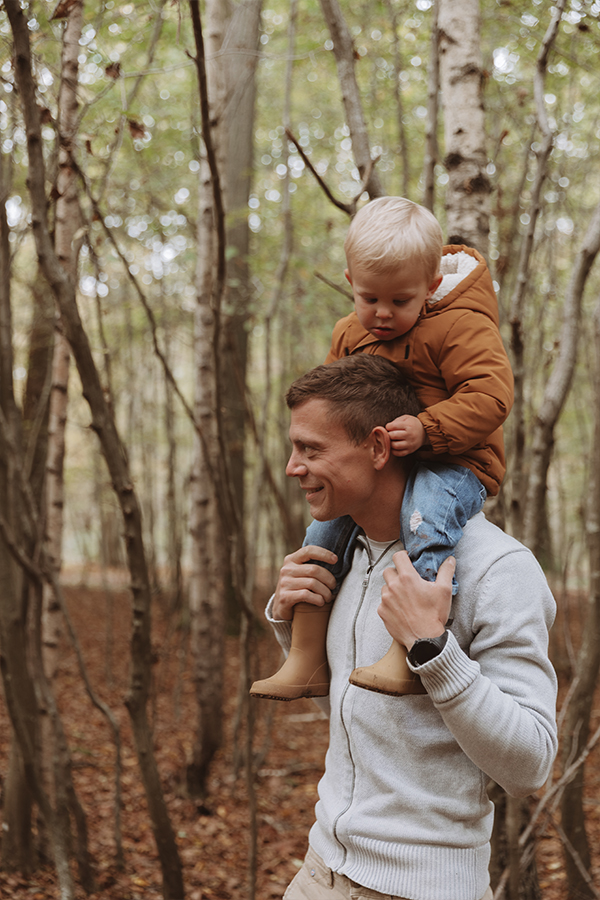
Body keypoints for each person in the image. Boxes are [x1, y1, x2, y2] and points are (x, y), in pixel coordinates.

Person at [261, 355, 557, 900]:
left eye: (311, 449)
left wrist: (433, 650)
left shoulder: (499, 569)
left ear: (377, 447)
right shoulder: (344, 554)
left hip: (423, 888)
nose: (292, 467)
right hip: (320, 873)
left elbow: (530, 765)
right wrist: (293, 621)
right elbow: (365, 715)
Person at [251, 197, 514, 700]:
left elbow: (491, 395)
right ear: (350, 281)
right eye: (370, 298)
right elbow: (328, 398)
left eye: (401, 301)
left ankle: (408, 648)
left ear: (431, 287)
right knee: (320, 531)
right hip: (390, 463)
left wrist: (428, 428)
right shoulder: (350, 332)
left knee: (425, 520)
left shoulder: (460, 324)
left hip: (454, 461)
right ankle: (306, 656)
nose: (383, 314)